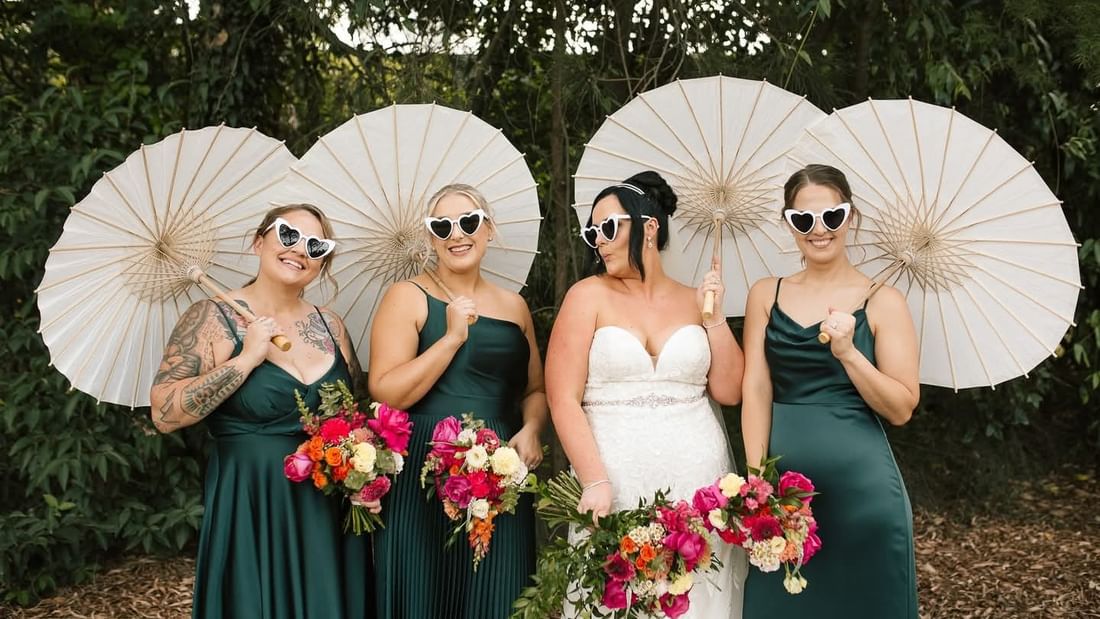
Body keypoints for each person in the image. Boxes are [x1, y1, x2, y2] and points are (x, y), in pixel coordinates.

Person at [149, 204, 376, 619]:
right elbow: (164, 414)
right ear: (259, 241)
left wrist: (365, 475)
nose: (300, 250)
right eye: (288, 234)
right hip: (251, 501)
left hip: (326, 509)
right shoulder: (211, 317)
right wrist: (244, 360)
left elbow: (355, 417)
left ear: (322, 262)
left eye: (316, 244)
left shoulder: (331, 325)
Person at [545, 171, 748, 617]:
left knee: (696, 600)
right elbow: (561, 398)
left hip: (697, 479)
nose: (599, 240)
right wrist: (595, 478)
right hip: (615, 480)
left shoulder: (696, 299)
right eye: (592, 232)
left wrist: (713, 316)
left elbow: (730, 391)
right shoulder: (587, 296)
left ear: (649, 227)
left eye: (609, 227)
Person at [740, 164, 920, 617]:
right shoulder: (765, 294)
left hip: (864, 495)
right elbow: (756, 388)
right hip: (784, 492)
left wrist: (849, 353)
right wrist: (758, 481)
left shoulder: (884, 300)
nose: (818, 230)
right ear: (788, 224)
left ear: (851, 217)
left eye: (831, 217)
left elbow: (901, 408)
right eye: (804, 220)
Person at [368, 183, 548, 619]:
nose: (456, 234)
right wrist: (450, 339)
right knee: (423, 592)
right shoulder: (407, 296)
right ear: (431, 237)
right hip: (423, 472)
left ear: (488, 230)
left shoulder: (515, 306)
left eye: (467, 222)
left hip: (501, 470)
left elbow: (535, 390)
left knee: (498, 592)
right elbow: (386, 391)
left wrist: (531, 429)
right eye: (441, 226)